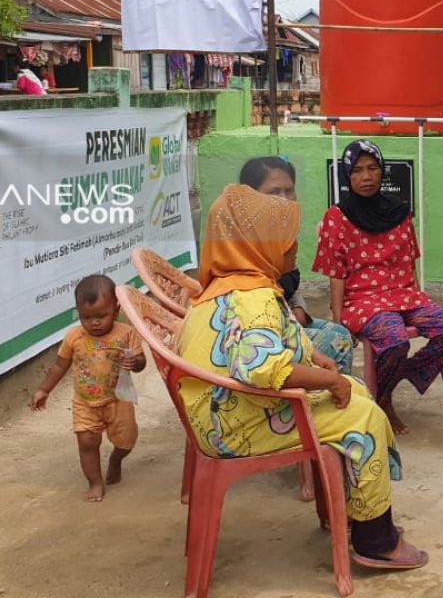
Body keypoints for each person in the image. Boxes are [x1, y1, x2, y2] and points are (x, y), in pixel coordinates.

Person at [180, 183, 427, 569]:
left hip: (217, 410)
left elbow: (268, 337)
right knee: (365, 416)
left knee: (357, 391)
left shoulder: (228, 284)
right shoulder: (254, 298)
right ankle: (376, 541)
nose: (295, 248)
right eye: (287, 240)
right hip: (235, 423)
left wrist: (314, 356)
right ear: (261, 244)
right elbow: (260, 367)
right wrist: (330, 380)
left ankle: (355, 511)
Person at [313, 140, 443, 434]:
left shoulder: (399, 212)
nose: (366, 177)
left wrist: (420, 296)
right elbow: (336, 273)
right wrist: (338, 319)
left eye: (372, 168)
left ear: (382, 172)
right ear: (347, 176)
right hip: (363, 301)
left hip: (404, 294)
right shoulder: (337, 217)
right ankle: (384, 402)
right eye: (357, 170)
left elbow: (409, 261)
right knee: (395, 340)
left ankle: (399, 376)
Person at [28, 274, 145, 502]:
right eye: (87, 317)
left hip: (119, 400)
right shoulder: (74, 337)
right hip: (85, 402)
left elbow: (141, 362)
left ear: (116, 308)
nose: (95, 323)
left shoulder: (126, 334)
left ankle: (116, 460)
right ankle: (95, 482)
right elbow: (58, 367)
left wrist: (136, 363)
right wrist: (44, 390)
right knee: (87, 443)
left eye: (101, 316)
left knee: (126, 442)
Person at [238, 155, 354, 375]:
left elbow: (289, 277)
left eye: (289, 190)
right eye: (273, 192)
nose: (284, 199)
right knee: (336, 342)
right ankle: (319, 396)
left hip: (287, 316)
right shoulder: (244, 240)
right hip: (257, 332)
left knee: (341, 334)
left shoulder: (282, 231)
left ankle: (330, 396)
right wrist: (288, 316)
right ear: (249, 195)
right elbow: (248, 301)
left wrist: (298, 305)